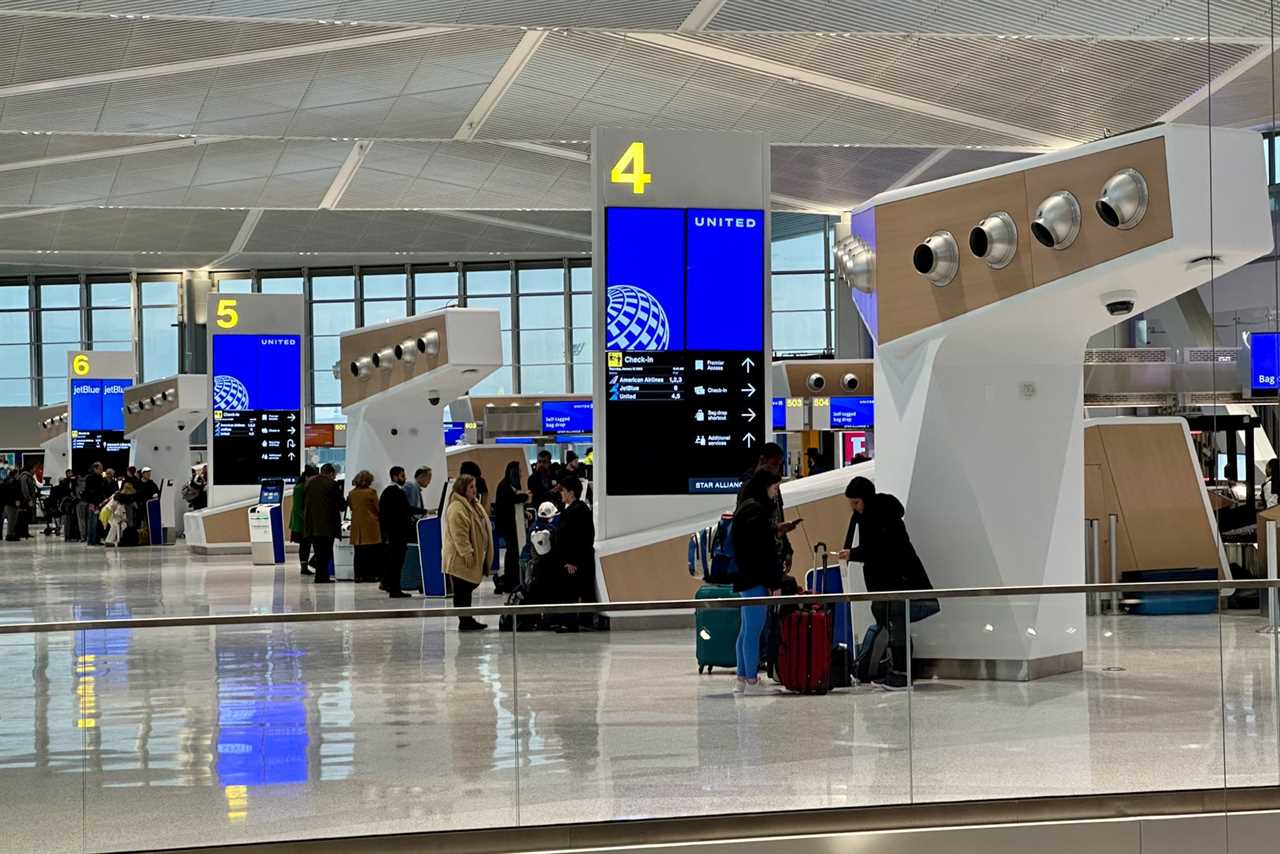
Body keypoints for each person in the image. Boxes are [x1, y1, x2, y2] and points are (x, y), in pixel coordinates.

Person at [838, 476, 933, 692]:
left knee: (896, 624)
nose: (854, 508)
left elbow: (879, 549)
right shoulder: (877, 514)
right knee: (894, 626)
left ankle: (902, 673)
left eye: (855, 503)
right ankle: (898, 671)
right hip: (892, 582)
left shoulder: (877, 516)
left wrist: (852, 553)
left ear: (864, 499)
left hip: (897, 582)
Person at [731, 469, 799, 695]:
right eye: (775, 487)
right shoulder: (757, 511)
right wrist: (774, 582)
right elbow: (764, 552)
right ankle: (751, 680)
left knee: (746, 629)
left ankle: (742, 677)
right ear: (765, 487)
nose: (776, 492)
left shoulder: (746, 508)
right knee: (754, 630)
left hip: (745, 577)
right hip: (755, 579)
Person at [442, 474, 494, 631]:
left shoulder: (473, 504)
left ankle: (467, 618)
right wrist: (467, 553)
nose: (474, 490)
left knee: (466, 589)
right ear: (462, 488)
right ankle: (465, 620)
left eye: (475, 486)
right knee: (462, 590)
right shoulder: (456, 508)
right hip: (460, 558)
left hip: (471, 556)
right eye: (471, 487)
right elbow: (460, 535)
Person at [547, 474, 596, 632]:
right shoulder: (573, 510)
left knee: (569, 591)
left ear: (571, 492)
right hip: (570, 560)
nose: (561, 494)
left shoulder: (578, 511)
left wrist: (572, 561)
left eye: (563, 491)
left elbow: (580, 540)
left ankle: (570, 621)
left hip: (575, 562)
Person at [738, 443, 794, 573]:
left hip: (774, 554)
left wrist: (787, 549)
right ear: (762, 460)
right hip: (758, 559)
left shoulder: (774, 486)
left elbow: (779, 515)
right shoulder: (749, 489)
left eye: (779, 465)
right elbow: (747, 528)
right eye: (775, 464)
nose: (777, 469)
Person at [303, 463, 344, 584]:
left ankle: (320, 576)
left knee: (318, 550)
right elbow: (340, 504)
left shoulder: (309, 483)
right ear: (331, 473)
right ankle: (322, 576)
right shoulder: (332, 484)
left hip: (312, 523)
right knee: (326, 551)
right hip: (327, 524)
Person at [379, 466, 414, 598]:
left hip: (392, 533)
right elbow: (405, 509)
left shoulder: (389, 491)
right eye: (402, 476)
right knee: (396, 561)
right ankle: (395, 589)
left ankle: (388, 584)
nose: (404, 478)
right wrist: (423, 511)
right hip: (397, 533)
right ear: (395, 476)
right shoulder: (394, 492)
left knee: (393, 561)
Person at [493, 460, 528, 594]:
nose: (521, 473)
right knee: (512, 553)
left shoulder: (504, 486)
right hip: (509, 526)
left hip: (508, 525)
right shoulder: (505, 487)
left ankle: (510, 580)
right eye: (519, 471)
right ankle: (509, 581)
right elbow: (512, 501)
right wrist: (525, 497)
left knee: (512, 552)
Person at [290, 466, 318, 575]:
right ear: (306, 477)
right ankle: (304, 566)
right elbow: (297, 508)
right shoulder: (299, 488)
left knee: (308, 544)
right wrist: (308, 518)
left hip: (307, 521)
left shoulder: (308, 486)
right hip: (301, 522)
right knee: (304, 545)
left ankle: (307, 564)